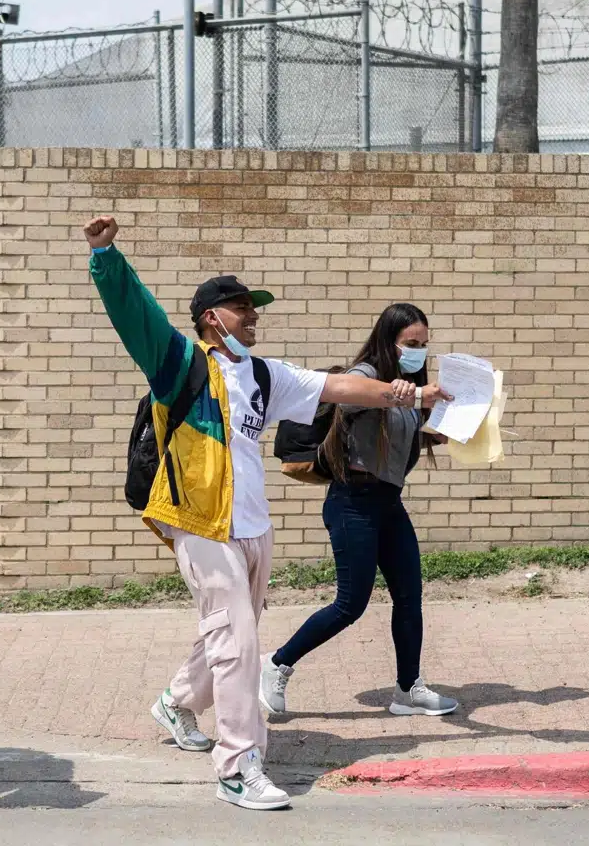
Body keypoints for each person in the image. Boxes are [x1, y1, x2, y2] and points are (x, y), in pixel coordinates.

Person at [84, 217, 447, 811]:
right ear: (212, 318)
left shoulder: (260, 373)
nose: (253, 315)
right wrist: (106, 256)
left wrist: (409, 393)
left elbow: (336, 387)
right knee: (238, 644)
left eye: (254, 308)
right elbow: (136, 314)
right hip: (200, 523)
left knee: (234, 633)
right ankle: (238, 766)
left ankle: (176, 702)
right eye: (242, 308)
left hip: (252, 526)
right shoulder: (179, 363)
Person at [260, 303, 459, 721]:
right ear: (388, 340)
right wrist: (405, 394)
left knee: (410, 598)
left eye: (424, 344)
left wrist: (434, 436)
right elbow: (350, 402)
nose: (418, 351)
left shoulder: (408, 384)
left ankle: (408, 690)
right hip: (353, 502)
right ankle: (276, 664)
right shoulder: (366, 376)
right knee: (350, 604)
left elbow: (390, 437)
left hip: (388, 503)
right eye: (410, 343)